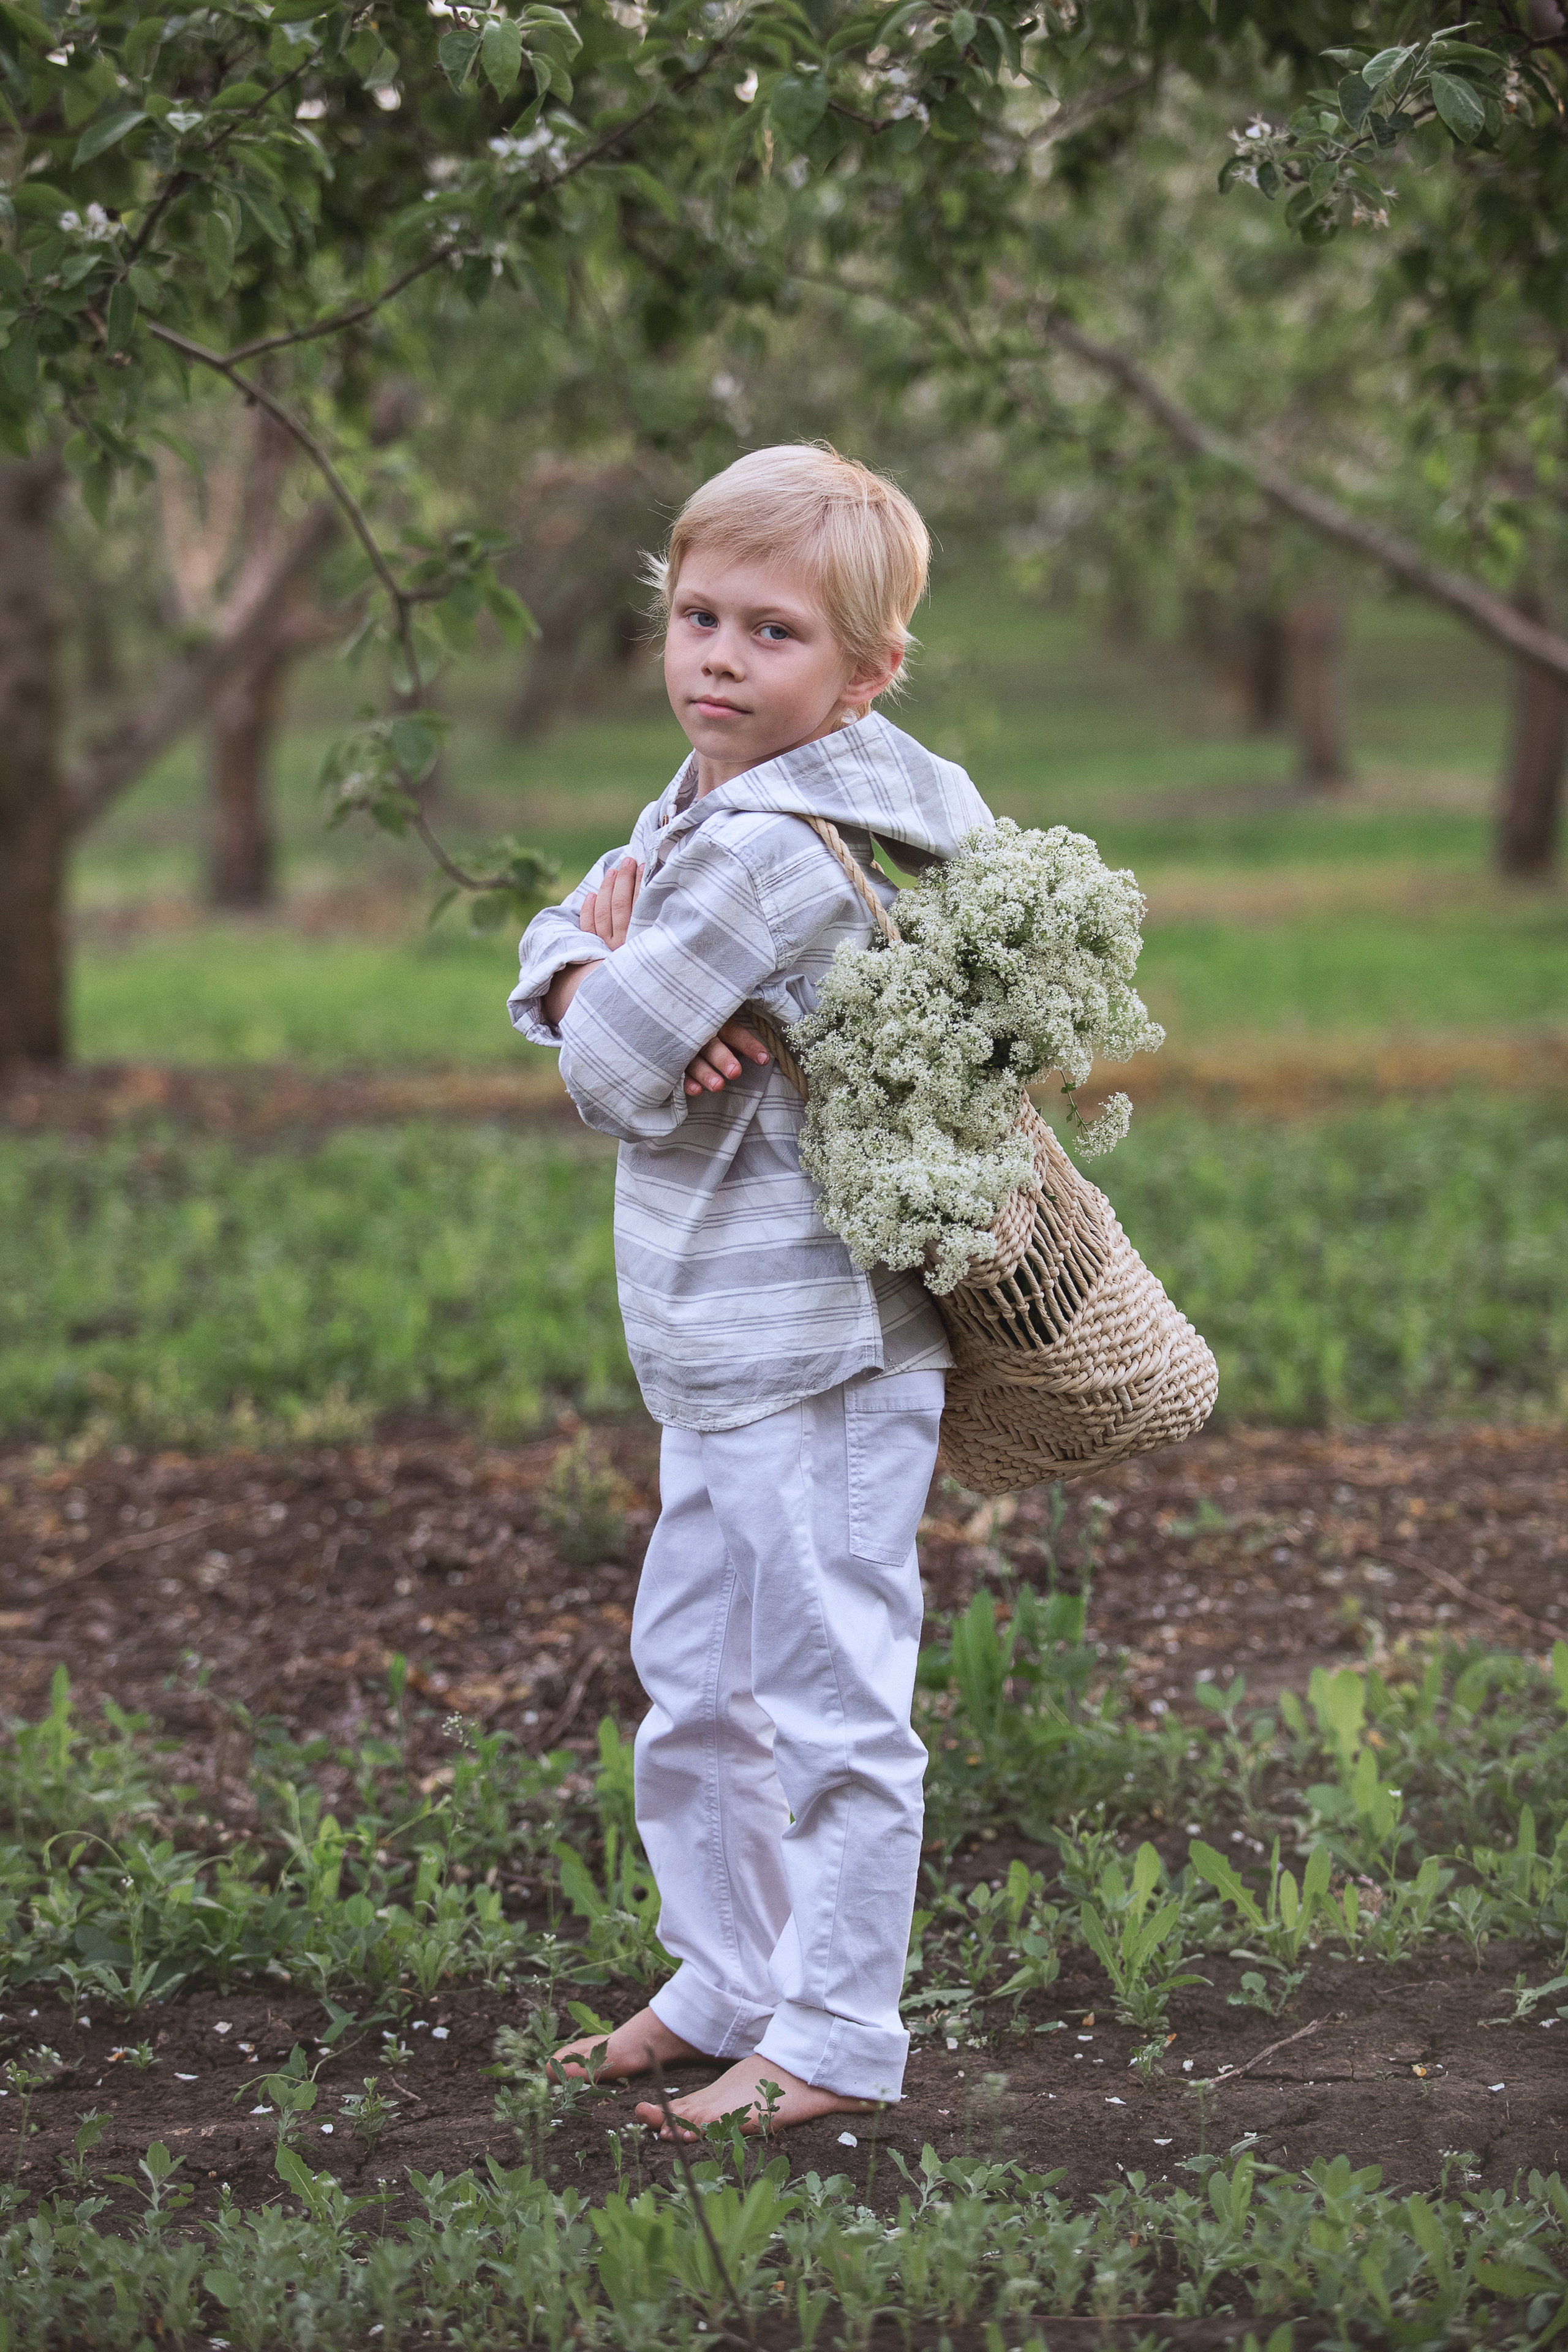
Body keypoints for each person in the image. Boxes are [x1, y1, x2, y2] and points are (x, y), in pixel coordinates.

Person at [508, 443, 993, 2137]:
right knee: (701, 1677)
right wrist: (584, 958)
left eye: (772, 632)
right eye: (698, 614)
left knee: (828, 1692)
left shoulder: (771, 850)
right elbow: (567, 958)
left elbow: (615, 1075)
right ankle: (725, 1976)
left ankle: (835, 2034)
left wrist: (599, 987)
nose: (717, 657)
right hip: (729, 1335)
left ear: (866, 672)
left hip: (821, 1342)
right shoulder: (722, 797)